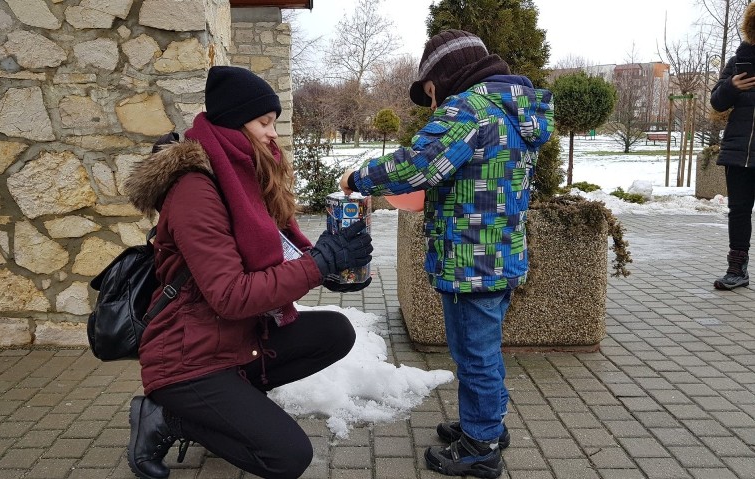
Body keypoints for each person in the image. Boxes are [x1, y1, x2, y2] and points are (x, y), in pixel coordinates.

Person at [122, 65, 373, 479]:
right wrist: (318, 263)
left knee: (336, 332)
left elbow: (278, 254)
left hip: (236, 340)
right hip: (187, 358)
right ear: (235, 125)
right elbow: (232, 295)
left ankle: (233, 406)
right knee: (288, 457)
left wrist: (332, 267)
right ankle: (168, 418)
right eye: (264, 122)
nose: (273, 133)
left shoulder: (241, 176)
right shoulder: (195, 190)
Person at [339, 30, 553, 478]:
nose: (433, 105)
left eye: (432, 92)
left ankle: (480, 447)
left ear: (446, 75)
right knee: (483, 352)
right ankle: (487, 424)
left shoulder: (469, 110)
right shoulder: (510, 110)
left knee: (474, 355)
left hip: (470, 262)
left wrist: (358, 179)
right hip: (500, 254)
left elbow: (420, 163)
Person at [710, 2, 755, 291]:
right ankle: (736, 268)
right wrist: (732, 87)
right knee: (739, 211)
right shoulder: (740, 58)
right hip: (741, 153)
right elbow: (717, 101)